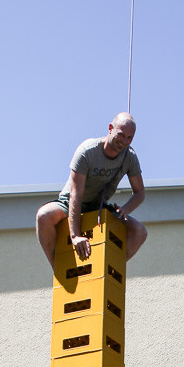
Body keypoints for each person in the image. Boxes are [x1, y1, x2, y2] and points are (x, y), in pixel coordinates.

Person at [36, 112, 147, 268]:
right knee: (44, 215)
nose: (124, 141)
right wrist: (75, 236)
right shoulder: (88, 151)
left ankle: (106, 268)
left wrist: (126, 209)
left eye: (130, 138)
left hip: (99, 206)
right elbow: (76, 194)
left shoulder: (129, 157)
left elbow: (140, 193)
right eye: (121, 135)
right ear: (110, 128)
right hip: (71, 202)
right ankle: (58, 268)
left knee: (140, 232)